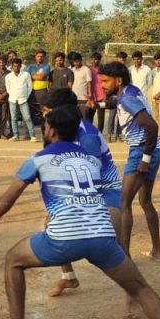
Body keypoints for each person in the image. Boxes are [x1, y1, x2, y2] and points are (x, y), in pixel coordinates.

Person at [0, 106, 160, 319]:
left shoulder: (38, 159)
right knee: (142, 289)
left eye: (45, 127)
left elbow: (7, 200)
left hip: (64, 238)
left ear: (52, 131)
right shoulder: (91, 159)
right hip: (102, 236)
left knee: (13, 260)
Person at [39, 89, 124, 297]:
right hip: (83, 188)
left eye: (48, 111)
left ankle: (133, 290)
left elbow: (91, 174)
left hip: (105, 191)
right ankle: (69, 278)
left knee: (114, 242)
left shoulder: (88, 136)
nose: (44, 116)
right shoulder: (59, 128)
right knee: (51, 221)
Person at [99, 62, 160, 264]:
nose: (102, 85)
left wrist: (145, 159)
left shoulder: (126, 98)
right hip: (154, 149)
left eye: (105, 81)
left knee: (123, 203)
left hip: (142, 150)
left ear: (118, 81)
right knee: (145, 202)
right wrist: (99, 104)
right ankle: (157, 251)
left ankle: (124, 256)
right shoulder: (130, 90)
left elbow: (151, 126)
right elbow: (116, 102)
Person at [5, 58, 36, 142]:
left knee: (27, 117)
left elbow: (30, 86)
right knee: (13, 118)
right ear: (12, 66)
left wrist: (26, 96)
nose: (16, 68)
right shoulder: (8, 76)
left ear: (21, 66)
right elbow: (8, 88)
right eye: (15, 66)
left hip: (23, 99)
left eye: (18, 66)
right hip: (12, 99)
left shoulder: (26, 74)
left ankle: (32, 135)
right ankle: (15, 135)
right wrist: (12, 95)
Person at [27, 50, 51, 137]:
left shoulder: (47, 67)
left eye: (41, 56)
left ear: (44, 57)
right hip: (31, 92)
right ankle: (30, 134)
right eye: (38, 56)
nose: (40, 58)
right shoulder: (30, 67)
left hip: (42, 92)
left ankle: (45, 133)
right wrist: (36, 76)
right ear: (35, 57)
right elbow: (27, 77)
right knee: (30, 112)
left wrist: (32, 76)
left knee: (44, 112)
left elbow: (41, 77)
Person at [69, 52, 94, 119]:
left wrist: (89, 96)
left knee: (84, 117)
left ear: (81, 60)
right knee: (74, 117)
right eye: (74, 62)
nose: (76, 64)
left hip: (84, 98)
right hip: (74, 98)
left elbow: (89, 83)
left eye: (77, 61)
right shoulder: (72, 70)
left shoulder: (86, 70)